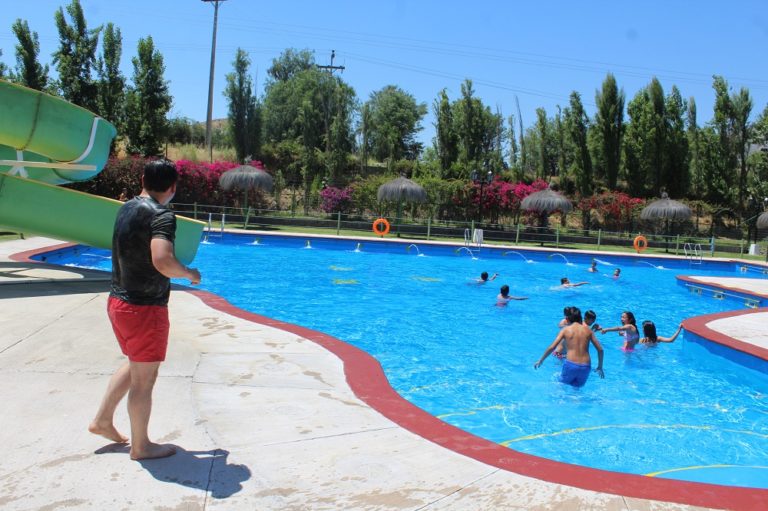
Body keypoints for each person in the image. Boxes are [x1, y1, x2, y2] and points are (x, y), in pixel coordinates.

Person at [89, 159, 202, 460]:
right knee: (144, 380)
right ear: (173, 187)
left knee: (135, 363)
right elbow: (162, 259)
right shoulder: (163, 215)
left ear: (143, 179)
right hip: (143, 309)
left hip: (118, 302)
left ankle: (102, 421)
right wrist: (189, 273)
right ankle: (141, 446)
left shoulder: (126, 207)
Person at [534, 306, 605, 387]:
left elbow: (552, 347)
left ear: (568, 319)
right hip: (586, 367)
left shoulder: (566, 329)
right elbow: (600, 350)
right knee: (576, 392)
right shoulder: (588, 331)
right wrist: (600, 367)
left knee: (560, 385)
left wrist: (541, 360)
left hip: (571, 364)